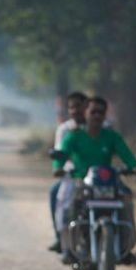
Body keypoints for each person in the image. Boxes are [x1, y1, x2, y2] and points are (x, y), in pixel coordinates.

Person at [53, 96, 136, 264]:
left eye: (100, 112)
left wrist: (135, 167)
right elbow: (62, 153)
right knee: (70, 206)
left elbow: (126, 154)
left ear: (105, 115)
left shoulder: (111, 137)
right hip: (82, 182)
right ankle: (70, 247)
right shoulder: (74, 136)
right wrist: (58, 167)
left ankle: (127, 247)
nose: (96, 116)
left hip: (107, 182)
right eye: (93, 111)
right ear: (85, 113)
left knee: (126, 198)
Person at [49, 91, 89, 252]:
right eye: (72, 107)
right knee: (55, 194)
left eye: (79, 106)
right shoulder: (65, 130)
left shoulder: (97, 126)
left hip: (96, 175)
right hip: (72, 175)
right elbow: (61, 154)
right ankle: (60, 237)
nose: (75, 111)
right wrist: (59, 168)